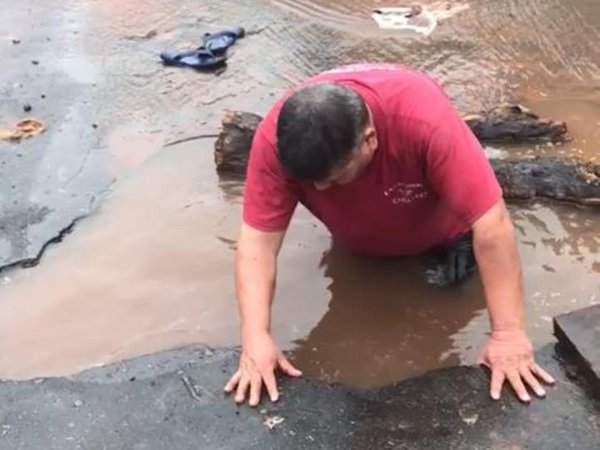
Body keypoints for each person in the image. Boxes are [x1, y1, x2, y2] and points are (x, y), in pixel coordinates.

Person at [223, 63, 555, 407]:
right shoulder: (276, 141)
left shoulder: (424, 121)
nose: (321, 189)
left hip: (445, 235)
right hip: (362, 241)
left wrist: (508, 334)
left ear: (371, 140)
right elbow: (257, 244)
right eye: (312, 183)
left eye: (334, 179)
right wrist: (255, 336)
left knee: (442, 310)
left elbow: (493, 225)